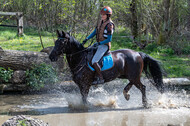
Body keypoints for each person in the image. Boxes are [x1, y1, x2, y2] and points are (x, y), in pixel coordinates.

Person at [82, 6, 115, 85]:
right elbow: (94, 32)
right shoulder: (101, 22)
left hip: (104, 45)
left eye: (104, 15)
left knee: (94, 61)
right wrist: (87, 39)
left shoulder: (109, 25)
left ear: (108, 15)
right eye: (102, 14)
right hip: (98, 44)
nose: (102, 16)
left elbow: (109, 39)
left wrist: (99, 43)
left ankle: (100, 78)